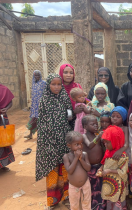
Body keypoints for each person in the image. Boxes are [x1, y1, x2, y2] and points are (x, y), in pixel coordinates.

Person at [36, 74, 74, 209]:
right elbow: (41, 123)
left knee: (65, 170)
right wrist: (46, 143)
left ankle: (67, 197)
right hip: (50, 143)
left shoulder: (65, 98)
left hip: (64, 141)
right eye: (53, 84)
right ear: (48, 85)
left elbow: (71, 118)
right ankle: (53, 201)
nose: (57, 87)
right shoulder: (44, 100)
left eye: (59, 84)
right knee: (52, 170)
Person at [97, 125, 129, 210]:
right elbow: (106, 162)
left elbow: (123, 171)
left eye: (107, 142)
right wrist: (101, 168)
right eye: (104, 142)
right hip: (110, 184)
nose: (105, 145)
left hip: (117, 185)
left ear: (115, 141)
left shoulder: (121, 156)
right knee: (110, 200)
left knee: (116, 202)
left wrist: (108, 171)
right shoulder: (108, 152)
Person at [81, 115, 106, 210]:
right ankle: (91, 207)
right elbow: (89, 145)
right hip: (89, 168)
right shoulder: (84, 136)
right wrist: (99, 137)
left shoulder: (97, 136)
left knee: (100, 188)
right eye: (93, 124)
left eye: (96, 124)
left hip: (99, 167)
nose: (96, 126)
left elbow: (103, 150)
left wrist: (103, 141)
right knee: (91, 189)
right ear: (85, 126)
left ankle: (100, 206)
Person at [63, 131, 91, 210]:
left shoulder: (84, 154)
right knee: (74, 205)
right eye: (76, 144)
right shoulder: (67, 157)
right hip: (73, 187)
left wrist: (81, 159)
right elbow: (70, 171)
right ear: (69, 145)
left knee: (86, 204)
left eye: (81, 143)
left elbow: (88, 168)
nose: (80, 146)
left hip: (85, 185)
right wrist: (76, 158)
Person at [25, 70, 46, 139]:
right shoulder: (33, 83)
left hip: (41, 104)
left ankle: (42, 135)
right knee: (33, 119)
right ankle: (30, 134)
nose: (37, 77)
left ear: (40, 75)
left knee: (41, 120)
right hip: (34, 105)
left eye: (38, 75)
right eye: (35, 75)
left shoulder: (43, 83)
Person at [0, 84, 15, 172]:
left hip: (2, 120)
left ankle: (3, 165)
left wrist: (6, 109)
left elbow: (10, 102)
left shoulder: (4, 89)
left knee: (4, 141)